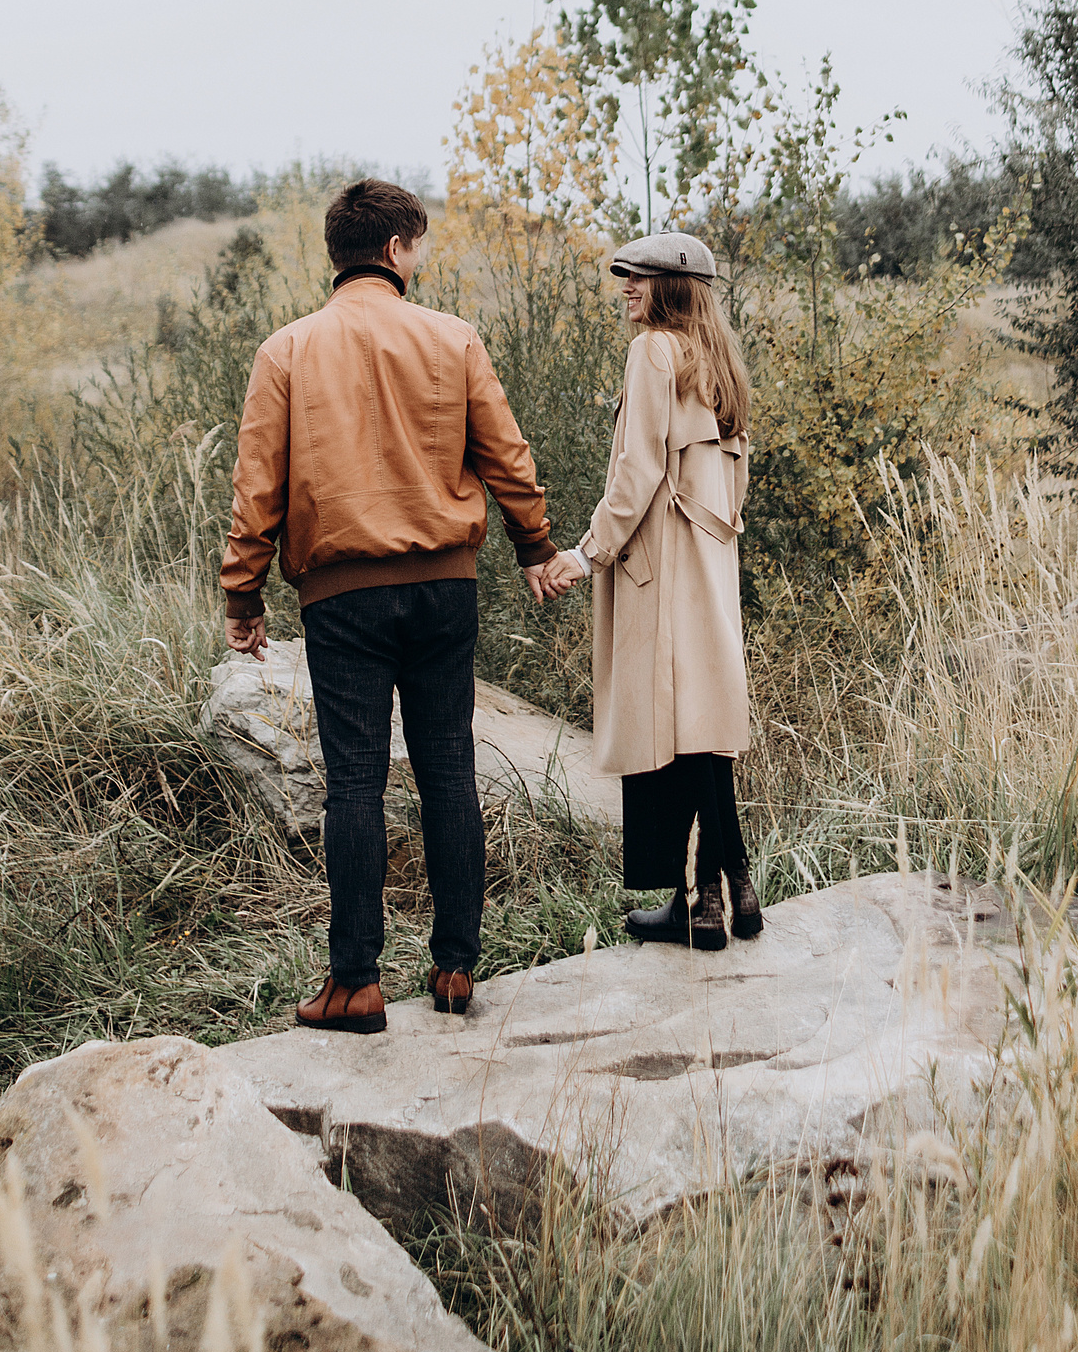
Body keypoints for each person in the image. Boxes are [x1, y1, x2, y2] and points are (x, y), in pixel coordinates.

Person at [221, 177, 559, 1035]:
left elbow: (257, 486)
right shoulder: (453, 339)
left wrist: (243, 592)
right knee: (447, 765)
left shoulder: (286, 351)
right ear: (398, 251)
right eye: (421, 246)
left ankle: (356, 984)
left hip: (343, 598)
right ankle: (453, 970)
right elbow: (507, 456)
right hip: (445, 587)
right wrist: (534, 547)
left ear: (337, 255)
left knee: (356, 783)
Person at [543, 231, 761, 950]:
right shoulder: (720, 364)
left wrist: (586, 553)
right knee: (702, 727)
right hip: (709, 566)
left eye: (635, 278)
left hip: (657, 566)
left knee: (671, 732)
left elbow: (635, 473)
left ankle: (702, 901)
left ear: (669, 287)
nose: (625, 288)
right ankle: (723, 894)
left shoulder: (651, 352)